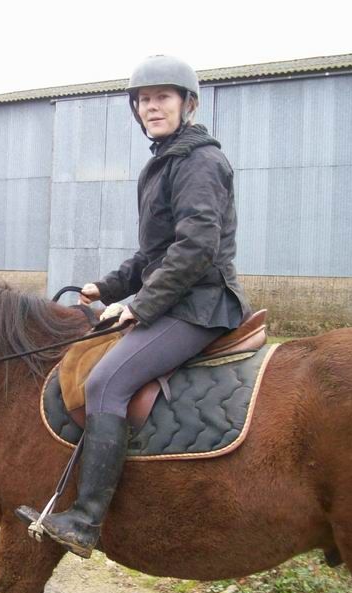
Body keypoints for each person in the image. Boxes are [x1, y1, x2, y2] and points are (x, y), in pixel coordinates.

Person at [22, 55, 251, 558]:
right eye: (144, 100)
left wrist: (140, 305)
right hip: (177, 300)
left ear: (187, 104)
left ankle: (85, 520)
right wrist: (105, 288)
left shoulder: (199, 162)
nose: (152, 107)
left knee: (106, 382)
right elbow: (153, 255)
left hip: (201, 305)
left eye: (162, 97)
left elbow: (196, 247)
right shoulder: (166, 161)